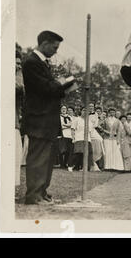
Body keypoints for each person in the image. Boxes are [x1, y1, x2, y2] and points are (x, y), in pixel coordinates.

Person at [21, 31, 76, 204]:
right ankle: (34, 195)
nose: (56, 51)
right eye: (54, 47)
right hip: (39, 118)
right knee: (38, 157)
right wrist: (64, 82)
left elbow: (51, 88)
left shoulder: (42, 64)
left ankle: (42, 191)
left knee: (47, 158)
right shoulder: (31, 63)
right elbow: (46, 88)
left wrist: (60, 85)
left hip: (47, 118)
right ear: (44, 43)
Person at [69, 106, 94, 172]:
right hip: (78, 138)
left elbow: (90, 131)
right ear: (81, 111)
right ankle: (75, 166)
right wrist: (73, 138)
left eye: (87, 111)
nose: (85, 112)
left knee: (86, 154)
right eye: (84, 110)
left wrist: (90, 139)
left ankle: (85, 168)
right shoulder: (77, 119)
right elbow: (72, 129)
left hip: (87, 139)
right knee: (78, 153)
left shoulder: (90, 122)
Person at [15, 51, 24, 187]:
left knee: (16, 156)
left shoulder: (18, 77)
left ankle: (13, 187)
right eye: (16, 63)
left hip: (14, 123)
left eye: (19, 63)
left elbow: (21, 89)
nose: (18, 66)